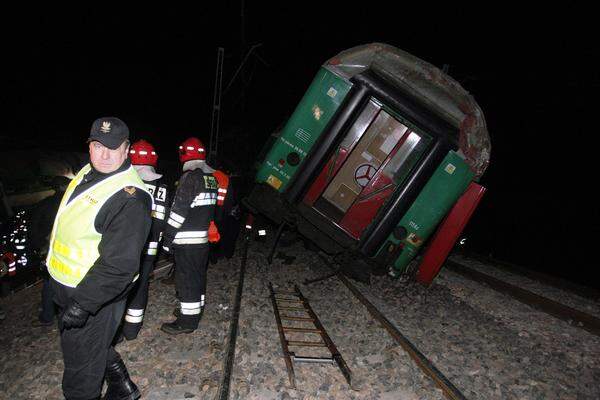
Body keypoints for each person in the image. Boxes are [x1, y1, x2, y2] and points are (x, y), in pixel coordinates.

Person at [47, 117, 152, 400]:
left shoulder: (129, 198)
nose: (104, 155)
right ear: (90, 146)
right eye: (97, 145)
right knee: (93, 348)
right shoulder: (89, 171)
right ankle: (123, 388)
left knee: (80, 376)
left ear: (126, 148)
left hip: (93, 297)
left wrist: (82, 305)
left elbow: (119, 266)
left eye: (113, 147)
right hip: (70, 285)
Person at [160, 137, 219, 335]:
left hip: (186, 242)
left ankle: (187, 322)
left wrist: (167, 239)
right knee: (198, 278)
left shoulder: (190, 178)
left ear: (184, 155)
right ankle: (195, 310)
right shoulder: (211, 179)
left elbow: (178, 212)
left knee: (186, 281)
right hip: (201, 242)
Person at [120, 139, 169, 340]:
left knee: (120, 288)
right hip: (149, 249)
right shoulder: (161, 187)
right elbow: (161, 220)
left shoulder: (125, 183)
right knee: (141, 287)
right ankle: (132, 329)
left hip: (124, 250)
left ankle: (115, 331)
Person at [29, 175, 71, 327]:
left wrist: (40, 247)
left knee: (50, 282)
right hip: (73, 249)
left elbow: (34, 230)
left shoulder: (44, 205)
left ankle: (47, 316)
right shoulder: (75, 202)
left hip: (51, 251)